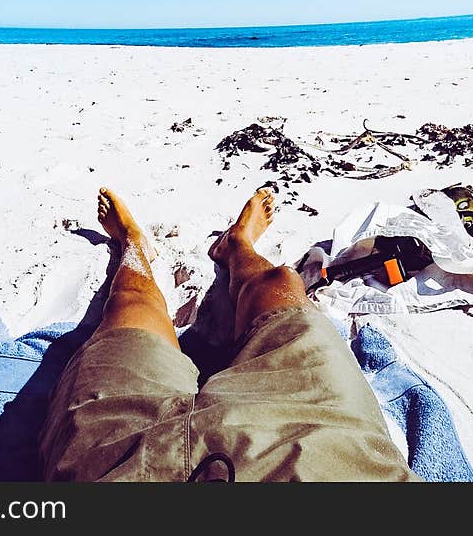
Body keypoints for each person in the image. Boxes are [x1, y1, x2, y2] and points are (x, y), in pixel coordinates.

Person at [38, 186, 418, 482]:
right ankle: (235, 246)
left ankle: (141, 246)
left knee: (130, 306)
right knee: (279, 284)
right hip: (326, 448)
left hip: (126, 464)